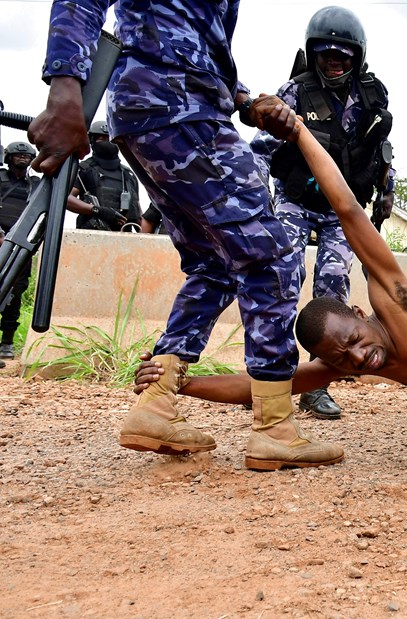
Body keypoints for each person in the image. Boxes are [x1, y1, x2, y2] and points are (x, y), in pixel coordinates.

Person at [29, 0, 342, 471]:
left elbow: (196, 40)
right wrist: (65, 89)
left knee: (215, 263)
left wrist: (243, 100)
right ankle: (274, 428)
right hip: (177, 108)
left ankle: (155, 405)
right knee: (274, 256)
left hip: (158, 108)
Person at [134, 122, 407, 406]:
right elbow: (263, 389)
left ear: (360, 314)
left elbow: (349, 210)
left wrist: (299, 131)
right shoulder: (343, 362)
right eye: (342, 358)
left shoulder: (398, 306)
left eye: (354, 339)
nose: (358, 358)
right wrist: (180, 384)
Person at [251, 6, 395, 422]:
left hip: (341, 210)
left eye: (343, 57)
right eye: (326, 55)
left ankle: (317, 388)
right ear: (313, 54)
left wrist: (387, 189)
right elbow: (261, 149)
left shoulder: (373, 93)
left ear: (357, 58)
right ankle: (274, 379)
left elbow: (383, 148)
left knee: (332, 294)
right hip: (296, 201)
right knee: (282, 281)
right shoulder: (293, 92)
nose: (334, 63)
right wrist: (257, 201)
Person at [0, 141, 41, 361]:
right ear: (8, 158)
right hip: (0, 239)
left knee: (15, 293)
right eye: (17, 155)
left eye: (26, 156)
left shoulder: (36, 184)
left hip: (21, 245)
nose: (22, 158)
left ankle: (7, 341)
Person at [68, 120, 141, 232]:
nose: (107, 142)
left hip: (125, 238)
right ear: (92, 141)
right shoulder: (84, 169)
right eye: (101, 138)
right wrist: (98, 210)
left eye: (110, 139)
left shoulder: (128, 174)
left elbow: (137, 213)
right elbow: (66, 199)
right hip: (91, 236)